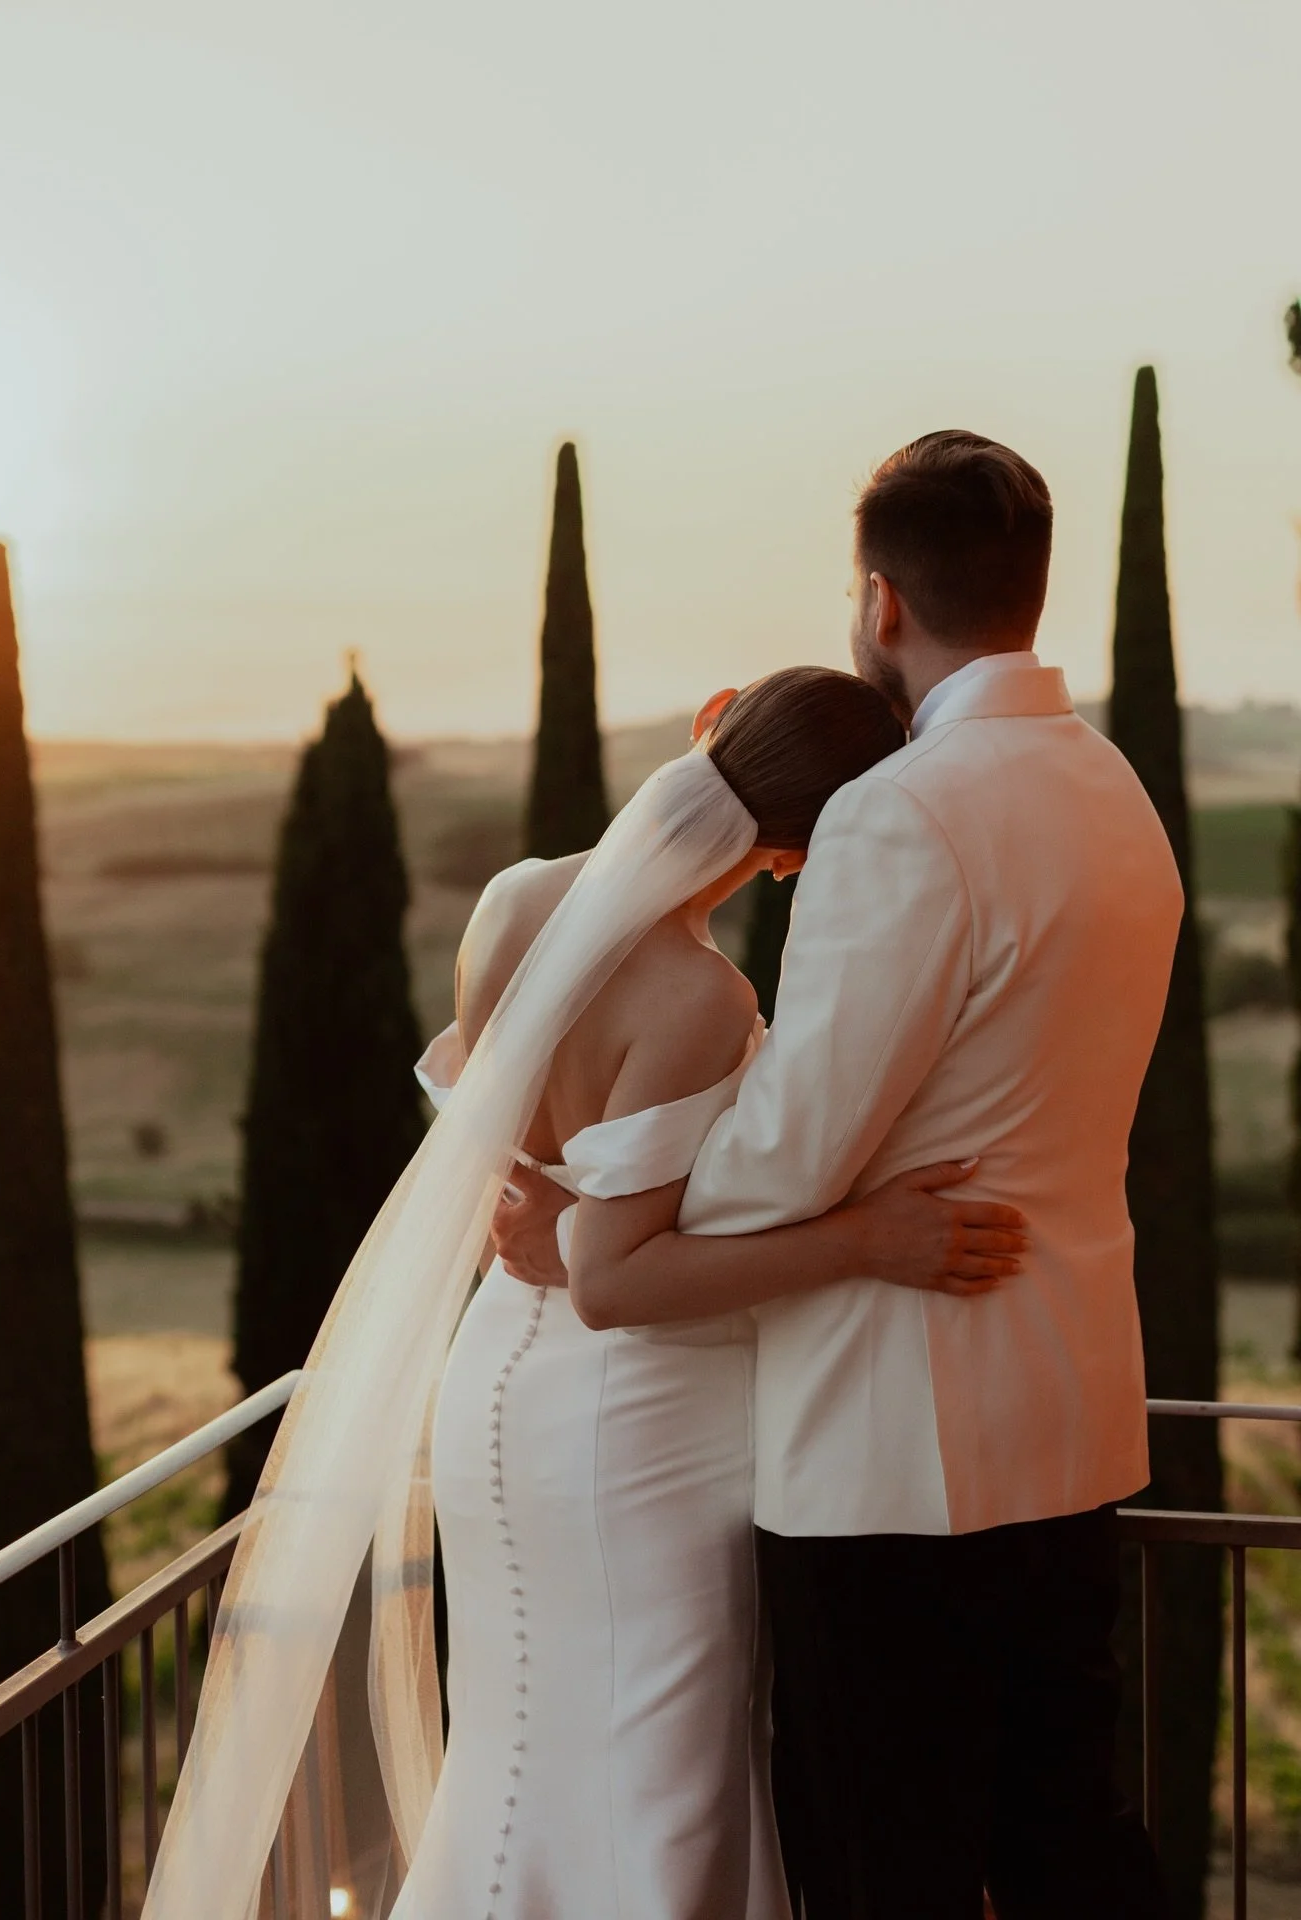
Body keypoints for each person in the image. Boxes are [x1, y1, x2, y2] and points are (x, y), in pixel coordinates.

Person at [494, 431, 1180, 1919]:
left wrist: (613, 1209)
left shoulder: (901, 811)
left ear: (880, 602)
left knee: (884, 1869)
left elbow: (792, 1150)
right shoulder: (1119, 792)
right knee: (1068, 1840)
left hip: (892, 1451)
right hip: (1067, 1420)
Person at [396, 667, 1025, 1920]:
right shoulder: (698, 995)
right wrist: (868, 1240)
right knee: (658, 1775)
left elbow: (502, 1149)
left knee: (513, 1765)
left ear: (710, 719)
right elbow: (617, 1281)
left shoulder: (514, 899)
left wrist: (563, 1219)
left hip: (494, 1386)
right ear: (798, 857)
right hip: (635, 1424)